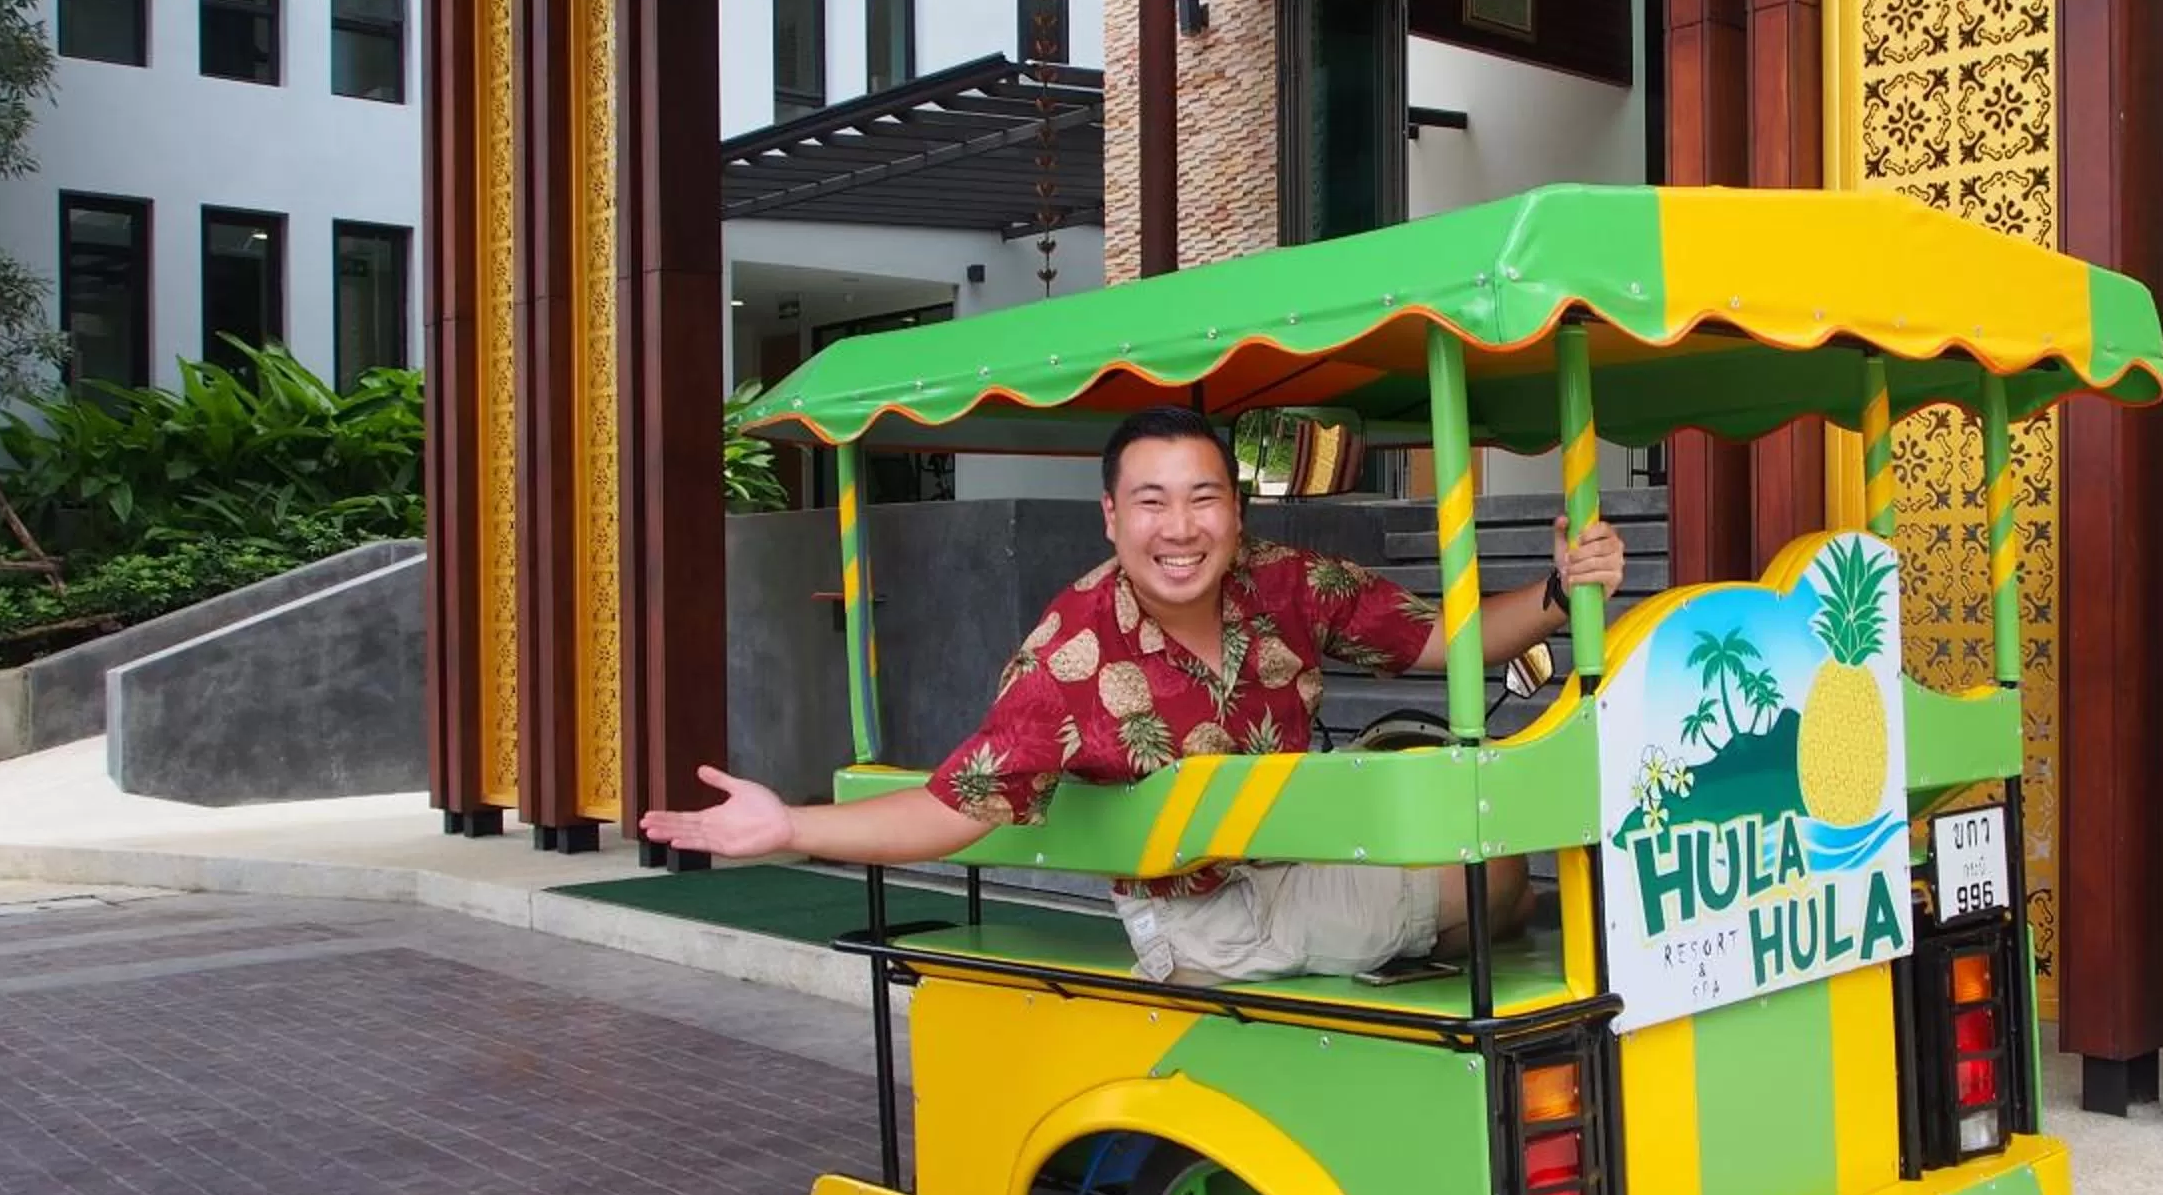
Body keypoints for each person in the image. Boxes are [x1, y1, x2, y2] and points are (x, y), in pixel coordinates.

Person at [641, 405, 1627, 984]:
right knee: (1494, 878)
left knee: (1485, 852)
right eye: (1151, 501)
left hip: (1303, 858)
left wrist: (1555, 594)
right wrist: (788, 827)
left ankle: (1410, 956)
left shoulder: (1281, 582)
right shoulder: (1071, 650)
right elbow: (955, 805)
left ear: (1235, 510)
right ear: (1113, 517)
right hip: (1203, 915)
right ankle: (1413, 967)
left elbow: (1436, 638)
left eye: (1203, 497)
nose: (1180, 526)